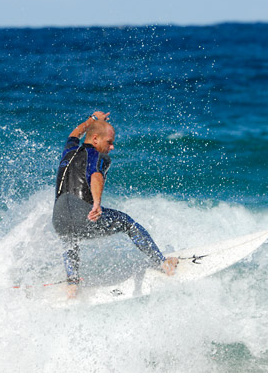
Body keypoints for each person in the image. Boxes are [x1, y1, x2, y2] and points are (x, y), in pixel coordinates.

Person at [52, 111, 178, 298]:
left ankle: (72, 283)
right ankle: (163, 263)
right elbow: (95, 175)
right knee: (127, 222)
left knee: (70, 237)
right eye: (109, 142)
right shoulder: (97, 155)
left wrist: (92, 120)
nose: (111, 147)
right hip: (83, 215)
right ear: (95, 139)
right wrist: (96, 203)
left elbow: (74, 134)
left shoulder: (69, 151)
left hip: (58, 218)